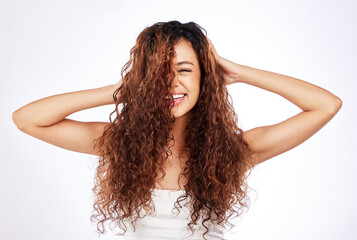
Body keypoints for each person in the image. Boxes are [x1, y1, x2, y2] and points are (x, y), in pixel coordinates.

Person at [12, 20, 342, 240]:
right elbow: (27, 118)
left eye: (184, 69)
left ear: (204, 77)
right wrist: (118, 90)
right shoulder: (120, 143)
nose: (172, 82)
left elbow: (325, 105)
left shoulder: (234, 151)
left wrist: (241, 72)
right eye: (159, 73)